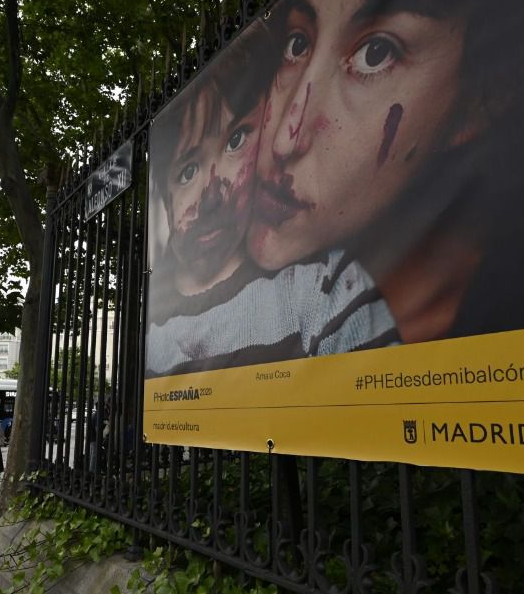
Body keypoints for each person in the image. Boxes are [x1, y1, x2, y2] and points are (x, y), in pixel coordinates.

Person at [246, 0, 524, 343]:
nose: (284, 138)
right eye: (297, 43)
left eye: (375, 54)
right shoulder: (262, 308)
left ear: (480, 100)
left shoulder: (522, 324)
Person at [146, 21, 398, 377]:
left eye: (236, 141)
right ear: (164, 198)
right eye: (188, 171)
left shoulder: (321, 285)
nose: (213, 194)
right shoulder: (150, 319)